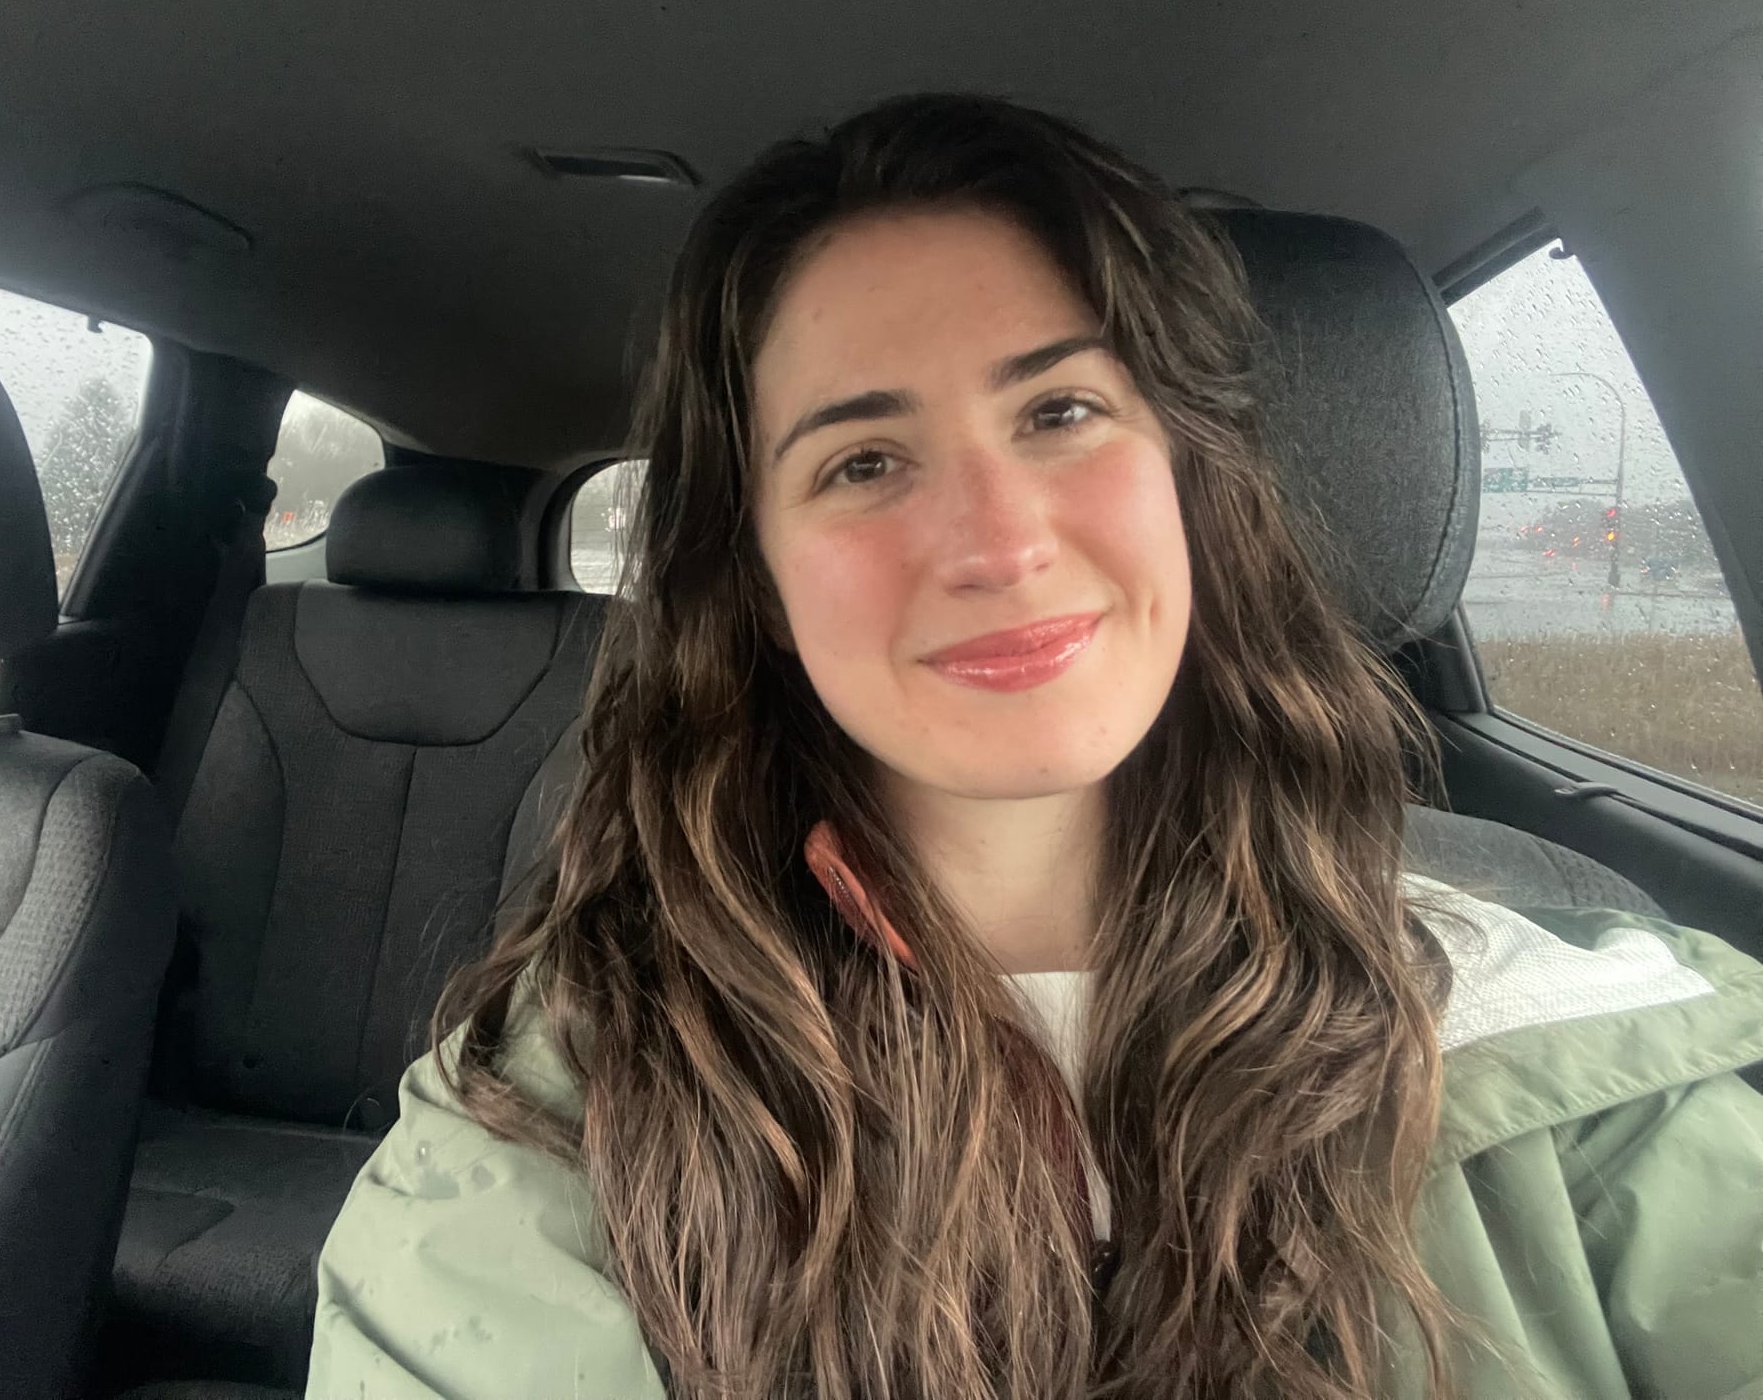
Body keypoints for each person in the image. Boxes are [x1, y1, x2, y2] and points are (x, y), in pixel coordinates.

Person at [307, 94, 1763, 1400]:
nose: (999, 544)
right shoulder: (550, 1123)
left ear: (1192, 481)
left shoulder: (1590, 1076)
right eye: (863, 462)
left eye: (1062, 410)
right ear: (751, 573)